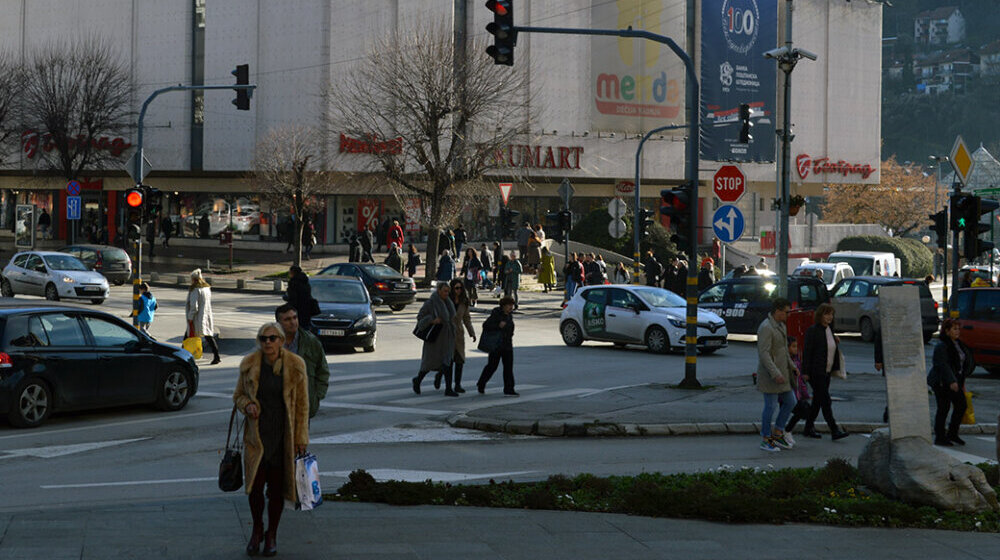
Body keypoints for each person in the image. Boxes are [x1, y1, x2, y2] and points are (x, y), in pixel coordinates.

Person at [233, 322, 309, 557]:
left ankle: (272, 534)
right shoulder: (249, 365)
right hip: (256, 438)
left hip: (283, 438)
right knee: (255, 489)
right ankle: (257, 530)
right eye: (264, 338)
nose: (268, 342)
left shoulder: (296, 366)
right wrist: (248, 405)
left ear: (282, 340)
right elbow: (238, 396)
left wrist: (301, 437)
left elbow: (303, 406)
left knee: (276, 491)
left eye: (273, 338)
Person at [801, 303, 849, 440]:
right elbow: (807, 352)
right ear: (820, 315)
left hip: (826, 371)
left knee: (817, 401)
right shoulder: (813, 331)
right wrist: (805, 372)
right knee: (825, 401)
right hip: (816, 372)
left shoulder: (829, 330)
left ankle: (808, 428)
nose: (829, 317)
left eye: (831, 314)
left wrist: (835, 341)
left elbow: (829, 348)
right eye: (826, 314)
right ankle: (834, 429)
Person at [756, 298, 798, 452]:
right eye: (786, 312)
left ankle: (778, 431)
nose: (788, 315)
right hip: (771, 375)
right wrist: (775, 373)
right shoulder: (766, 327)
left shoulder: (781, 326)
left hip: (782, 373)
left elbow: (784, 350)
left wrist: (792, 366)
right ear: (778, 311)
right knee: (771, 406)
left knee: (791, 401)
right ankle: (766, 438)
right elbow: (764, 353)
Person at [275, 303, 329, 419]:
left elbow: (323, 370)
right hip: (277, 407)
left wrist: (316, 396)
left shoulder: (310, 342)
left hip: (302, 404)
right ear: (278, 323)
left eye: (295, 317)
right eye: (287, 319)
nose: (293, 322)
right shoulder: (270, 343)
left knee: (299, 437)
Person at [928, 318, 974, 446]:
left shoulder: (958, 344)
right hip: (942, 382)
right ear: (947, 331)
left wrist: (961, 381)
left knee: (961, 405)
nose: (957, 331)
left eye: (958, 329)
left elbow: (963, 363)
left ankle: (952, 434)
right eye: (954, 329)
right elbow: (943, 365)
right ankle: (940, 437)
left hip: (956, 381)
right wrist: (951, 381)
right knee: (943, 408)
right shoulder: (942, 346)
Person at [412, 282, 458, 396]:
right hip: (435, 337)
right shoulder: (430, 303)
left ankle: (448, 389)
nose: (446, 294)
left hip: (447, 336)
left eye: (448, 291)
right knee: (429, 363)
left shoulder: (448, 302)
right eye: (444, 291)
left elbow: (451, 317)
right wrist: (431, 320)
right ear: (438, 291)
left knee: (448, 362)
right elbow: (420, 317)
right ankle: (418, 380)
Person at [477, 296, 518, 396]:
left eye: (512, 305)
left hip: (507, 345)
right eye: (509, 305)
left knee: (508, 368)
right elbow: (486, 325)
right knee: (492, 366)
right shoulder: (496, 314)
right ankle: (481, 383)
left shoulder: (509, 315)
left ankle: (509, 388)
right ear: (503, 306)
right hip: (496, 345)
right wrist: (498, 326)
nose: (511, 307)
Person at [443, 278, 475, 393]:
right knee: (449, 361)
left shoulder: (464, 301)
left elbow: (466, 318)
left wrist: (471, 332)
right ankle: (448, 387)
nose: (459, 290)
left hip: (459, 334)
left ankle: (457, 385)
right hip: (447, 333)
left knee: (460, 360)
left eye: (460, 288)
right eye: (456, 288)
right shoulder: (446, 300)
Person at [186, 269, 221, 364]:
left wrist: (190, 317)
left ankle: (183, 358)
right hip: (206, 315)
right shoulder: (206, 288)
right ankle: (217, 355)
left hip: (197, 318)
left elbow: (194, 306)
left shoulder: (195, 290)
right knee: (208, 336)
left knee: (187, 337)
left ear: (194, 279)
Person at [783, 336, 811, 440]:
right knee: (798, 411)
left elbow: (800, 380)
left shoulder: (797, 361)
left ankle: (786, 430)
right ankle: (785, 430)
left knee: (802, 411)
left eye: (796, 346)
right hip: (787, 393)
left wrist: (805, 394)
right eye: (793, 346)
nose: (796, 349)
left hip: (797, 394)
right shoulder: (787, 361)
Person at [286, 265, 317, 331]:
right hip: (307, 309)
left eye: (290, 272)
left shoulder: (293, 283)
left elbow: (293, 298)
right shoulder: (305, 281)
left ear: (293, 272)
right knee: (305, 328)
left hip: (298, 310)